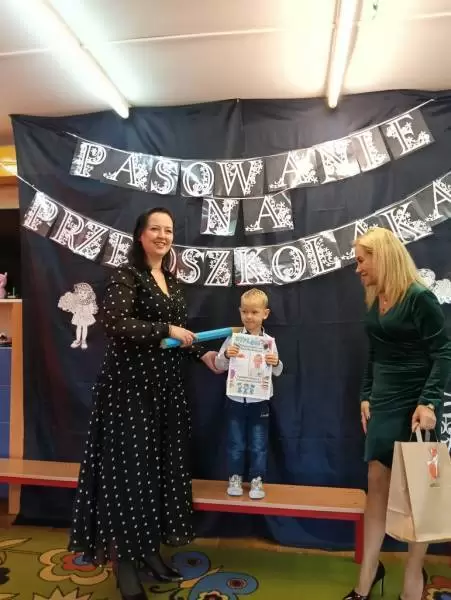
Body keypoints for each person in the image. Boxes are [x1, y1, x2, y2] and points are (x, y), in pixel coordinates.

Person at [68, 207, 222, 600]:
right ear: (140, 234)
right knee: (128, 479)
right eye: (155, 228)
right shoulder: (126, 276)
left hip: (166, 394)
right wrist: (165, 328)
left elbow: (179, 337)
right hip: (129, 393)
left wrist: (202, 354)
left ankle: (150, 552)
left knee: (157, 474)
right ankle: (124, 565)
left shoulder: (172, 281)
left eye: (168, 230)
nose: (163, 235)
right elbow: (116, 323)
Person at [344, 227, 451, 600]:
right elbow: (375, 352)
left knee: (419, 495)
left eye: (361, 260)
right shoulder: (376, 297)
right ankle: (367, 576)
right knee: (376, 487)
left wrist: (429, 402)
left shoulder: (419, 297)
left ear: (382, 256)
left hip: (416, 407)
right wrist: (366, 395)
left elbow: (444, 352)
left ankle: (412, 580)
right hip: (384, 403)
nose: (357, 268)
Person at [215, 288, 283, 500]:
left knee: (258, 444)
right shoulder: (233, 339)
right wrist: (226, 355)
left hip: (259, 401)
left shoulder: (269, 342)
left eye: (254, 312)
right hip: (235, 399)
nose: (249, 316)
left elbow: (278, 370)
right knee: (235, 442)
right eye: (245, 311)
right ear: (240, 311)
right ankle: (235, 477)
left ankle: (257, 480)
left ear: (265, 313)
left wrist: (275, 362)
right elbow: (219, 364)